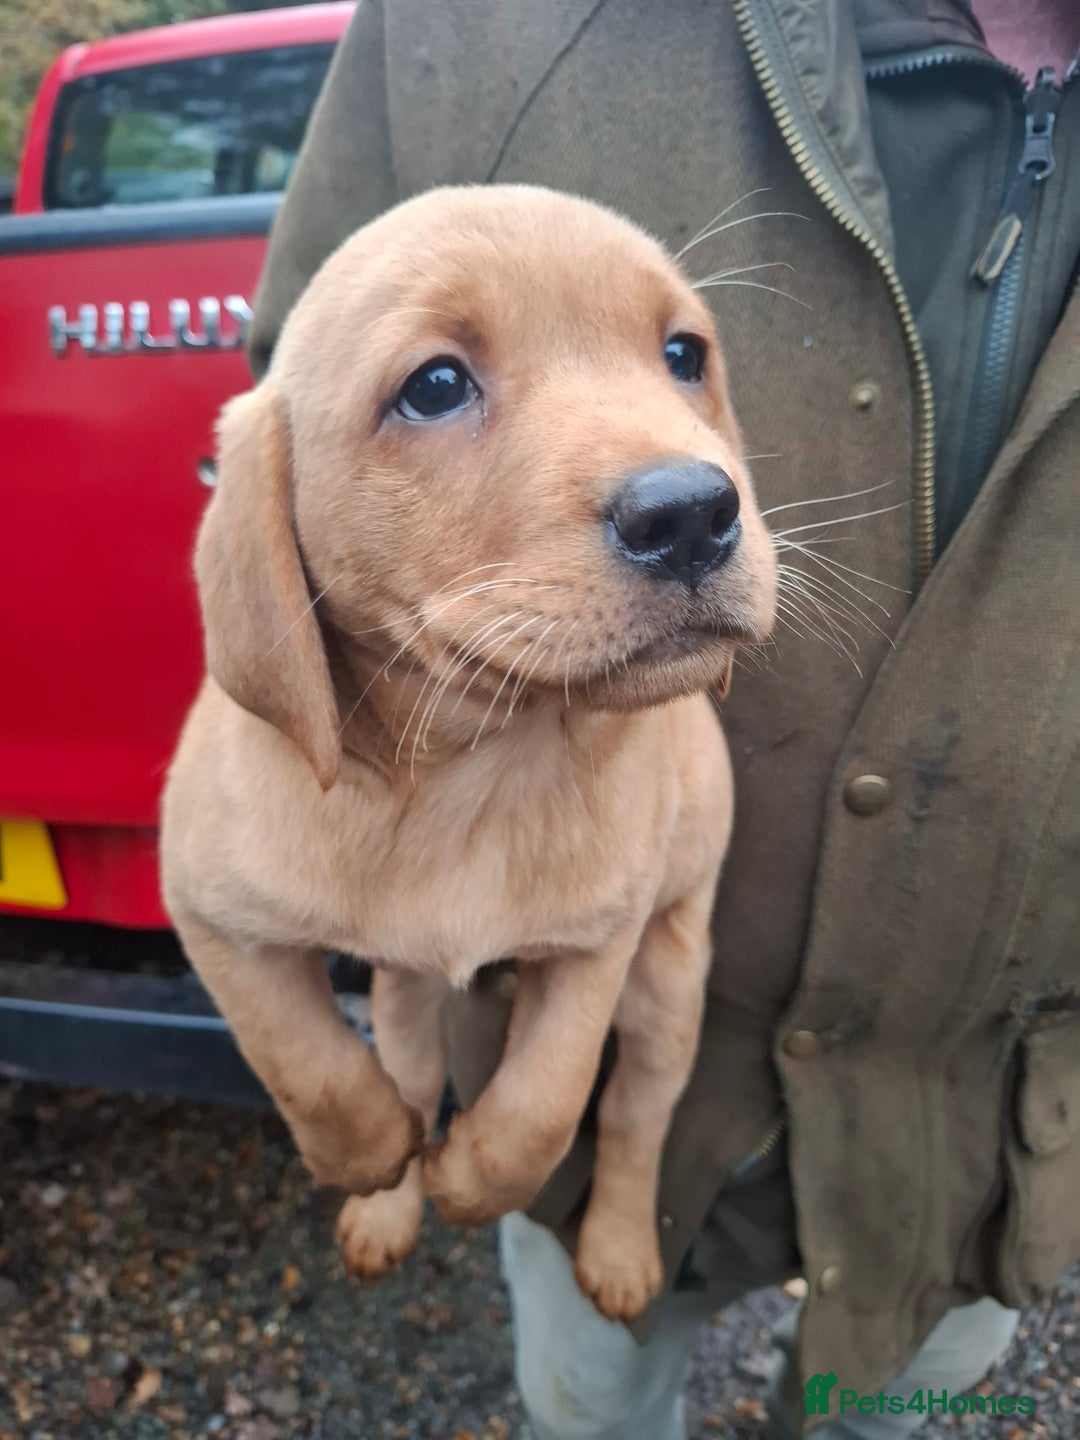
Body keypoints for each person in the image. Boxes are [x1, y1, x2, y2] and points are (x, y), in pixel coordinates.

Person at [248, 2, 1080, 1436]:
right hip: (578, 1084)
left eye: (689, 358)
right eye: (445, 384)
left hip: (990, 1109)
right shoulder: (470, 24)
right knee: (595, 1398)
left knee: (898, 1411)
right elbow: (295, 479)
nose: (690, 483)